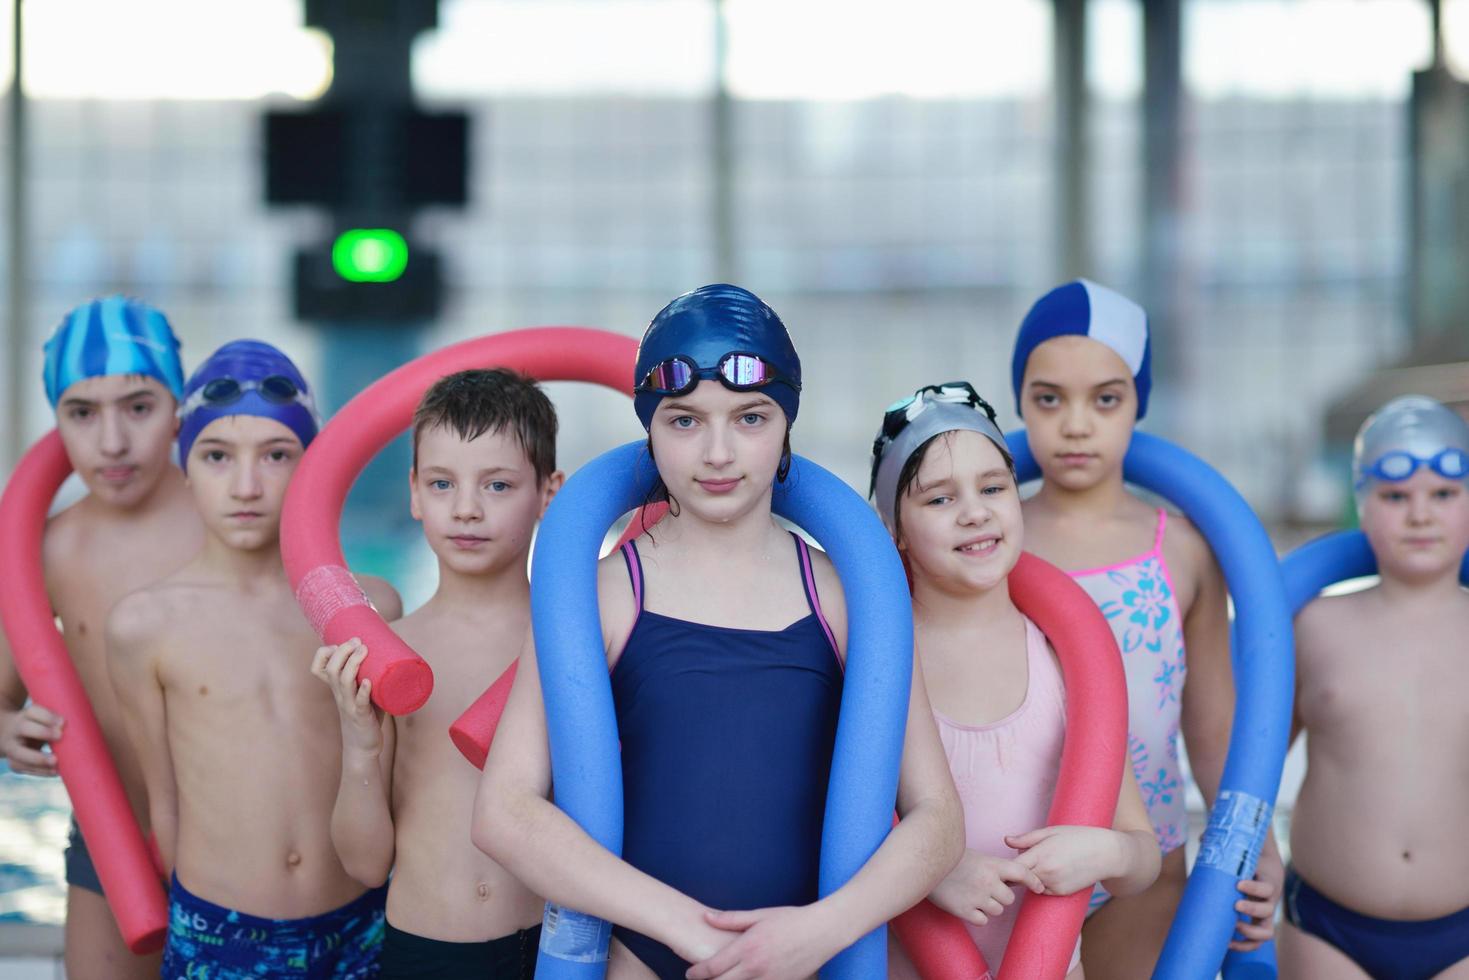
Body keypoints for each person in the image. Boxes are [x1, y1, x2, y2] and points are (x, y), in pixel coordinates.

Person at [472, 283, 964, 979]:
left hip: (809, 958)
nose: (718, 451)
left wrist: (822, 931)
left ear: (786, 423)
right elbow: (504, 811)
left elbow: (937, 818)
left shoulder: (845, 596)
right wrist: (689, 932)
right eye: (684, 421)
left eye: (750, 418)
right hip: (642, 957)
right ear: (649, 429)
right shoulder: (605, 594)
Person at [107, 340, 402, 980]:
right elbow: (165, 808)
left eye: (276, 456)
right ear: (185, 466)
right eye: (217, 457)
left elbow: (391, 787)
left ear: (313, 466)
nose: (246, 485)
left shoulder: (367, 608)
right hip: (218, 932)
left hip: (360, 923)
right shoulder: (145, 625)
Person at [1010, 279, 1281, 976]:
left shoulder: (1183, 547)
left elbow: (1214, 724)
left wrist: (1260, 841)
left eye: (1104, 398)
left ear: (1138, 402)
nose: (1075, 424)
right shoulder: (987, 534)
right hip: (1009, 856)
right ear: (1019, 401)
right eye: (1049, 398)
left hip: (1147, 859)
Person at [871, 381, 1160, 977]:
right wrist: (931, 869)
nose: (975, 511)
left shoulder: (1069, 657)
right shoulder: (880, 662)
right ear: (894, 528)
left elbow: (1143, 854)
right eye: (939, 500)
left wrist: (1106, 851)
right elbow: (832, 822)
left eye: (993, 488)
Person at [313, 368, 564, 979]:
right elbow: (366, 864)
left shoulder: (574, 642)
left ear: (549, 493)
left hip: (551, 952)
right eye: (443, 483)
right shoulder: (395, 655)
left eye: (498, 485)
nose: (467, 509)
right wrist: (360, 745)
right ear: (415, 494)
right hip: (426, 949)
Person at [0, 296, 200, 979]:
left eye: (139, 407)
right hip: (110, 837)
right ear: (55, 421)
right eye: (82, 413)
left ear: (178, 406)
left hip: (241, 838)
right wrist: (6, 728)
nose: (111, 441)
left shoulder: (231, 522)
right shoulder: (52, 550)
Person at [1278, 395, 1469, 980]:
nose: (1419, 514)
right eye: (1394, 496)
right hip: (1329, 926)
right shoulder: (1312, 626)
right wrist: (1247, 854)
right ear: (1360, 504)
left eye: (1443, 494)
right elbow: (1246, 761)